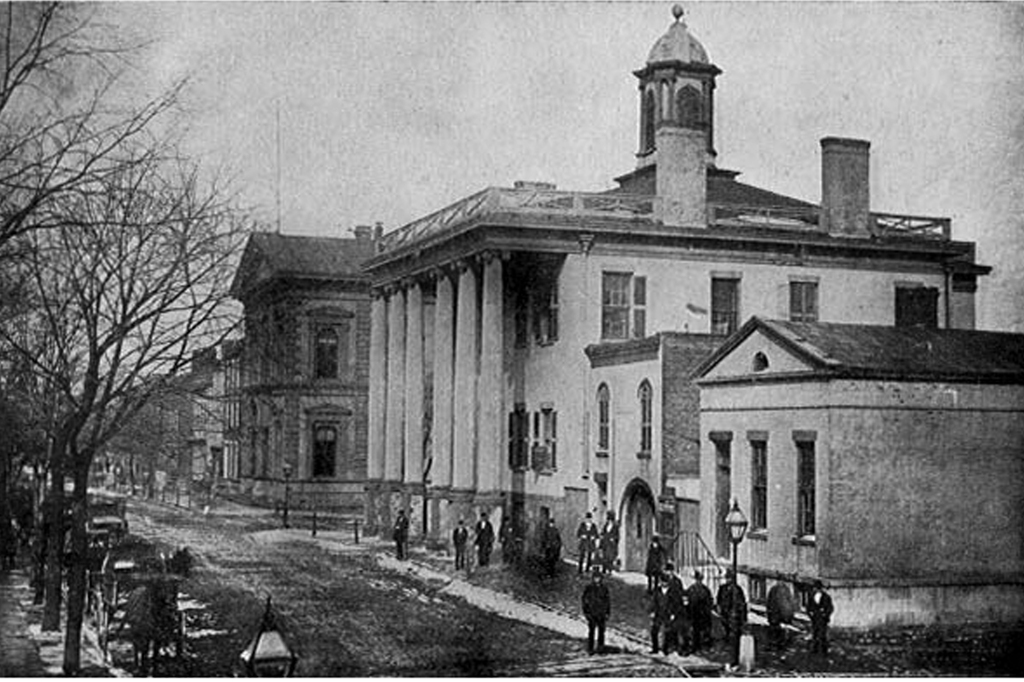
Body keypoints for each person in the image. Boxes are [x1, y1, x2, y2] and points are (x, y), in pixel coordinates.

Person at [581, 568, 611, 654]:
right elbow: (584, 600)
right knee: (591, 631)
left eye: (598, 578)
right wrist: (586, 611)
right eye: (595, 578)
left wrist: (607, 612)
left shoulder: (604, 588)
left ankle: (600, 648)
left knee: (601, 632)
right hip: (592, 612)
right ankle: (590, 648)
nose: (597, 579)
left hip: (601, 613)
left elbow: (607, 601)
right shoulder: (589, 588)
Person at [663, 563, 690, 655]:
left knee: (675, 629)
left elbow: (678, 596)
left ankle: (677, 648)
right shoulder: (665, 579)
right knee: (669, 628)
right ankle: (669, 647)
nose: (667, 572)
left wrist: (674, 611)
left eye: (668, 571)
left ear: (671, 571)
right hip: (668, 607)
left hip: (675, 608)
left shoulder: (676, 581)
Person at [716, 569, 747, 645]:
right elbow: (719, 600)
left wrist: (743, 616)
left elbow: (742, 603)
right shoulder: (722, 588)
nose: (728, 580)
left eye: (729, 578)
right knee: (725, 628)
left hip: (734, 614)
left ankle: (734, 642)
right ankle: (727, 640)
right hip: (725, 612)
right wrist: (719, 608)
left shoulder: (737, 589)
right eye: (727, 578)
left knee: (734, 630)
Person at [687, 570, 713, 652]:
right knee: (696, 631)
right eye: (697, 580)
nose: (698, 581)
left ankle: (702, 646)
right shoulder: (691, 589)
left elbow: (709, 602)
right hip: (695, 613)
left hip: (702, 613)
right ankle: (696, 647)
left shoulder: (705, 590)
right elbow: (687, 601)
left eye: (699, 580)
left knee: (702, 631)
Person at [807, 580, 834, 655]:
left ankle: (823, 650)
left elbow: (830, 608)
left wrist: (825, 614)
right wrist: (811, 614)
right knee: (815, 634)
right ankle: (815, 650)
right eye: (815, 588)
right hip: (815, 618)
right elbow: (808, 607)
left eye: (817, 588)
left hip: (822, 619)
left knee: (822, 635)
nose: (816, 589)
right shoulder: (811, 597)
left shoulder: (826, 597)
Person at [766, 581, 796, 649]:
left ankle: (776, 644)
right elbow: (789, 603)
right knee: (780, 631)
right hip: (780, 615)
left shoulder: (775, 589)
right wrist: (789, 616)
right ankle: (780, 644)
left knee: (777, 631)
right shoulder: (784, 590)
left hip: (776, 616)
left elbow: (769, 603)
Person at [649, 573, 671, 654]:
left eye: (666, 582)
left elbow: (674, 603)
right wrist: (652, 611)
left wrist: (673, 613)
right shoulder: (657, 591)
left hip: (667, 613)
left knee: (667, 632)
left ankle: (665, 649)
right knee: (654, 631)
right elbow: (653, 601)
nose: (664, 583)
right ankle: (655, 648)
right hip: (658, 613)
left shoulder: (671, 592)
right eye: (663, 582)